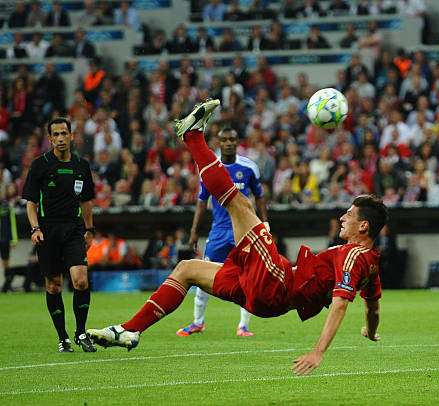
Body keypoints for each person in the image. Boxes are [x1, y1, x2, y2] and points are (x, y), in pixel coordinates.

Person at [88, 101, 387, 376]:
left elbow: (340, 304)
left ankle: (192, 136)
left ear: (364, 227)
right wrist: (371, 332)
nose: (343, 218)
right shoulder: (369, 263)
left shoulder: (354, 256)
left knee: (240, 203)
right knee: (186, 269)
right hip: (267, 297)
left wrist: (318, 352)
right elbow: (372, 306)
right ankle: (129, 330)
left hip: (277, 282)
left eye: (349, 215)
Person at [176, 127, 268, 338]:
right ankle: (198, 322)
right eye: (224, 140)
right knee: (202, 276)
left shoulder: (249, 167)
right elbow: (201, 202)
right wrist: (194, 232)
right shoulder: (210, 168)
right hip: (218, 232)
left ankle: (243, 326)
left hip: (243, 231)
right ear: (218, 143)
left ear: (237, 142)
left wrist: (265, 222)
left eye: (232, 139)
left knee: (247, 276)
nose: (228, 143)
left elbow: (260, 196)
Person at [21, 117, 97, 353]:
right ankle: (63, 337)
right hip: (47, 231)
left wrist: (89, 229)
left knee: (81, 280)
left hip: (73, 229)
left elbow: (86, 201)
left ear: (72, 136)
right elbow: (31, 203)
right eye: (56, 134)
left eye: (65, 133)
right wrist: (35, 228)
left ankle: (81, 332)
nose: (61, 138)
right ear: (50, 138)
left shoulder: (81, 166)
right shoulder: (40, 165)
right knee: (54, 286)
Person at [0, 185, 18, 292]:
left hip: (4, 239)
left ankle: (7, 284)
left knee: (6, 262)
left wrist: (14, 239)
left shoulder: (7, 207)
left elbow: (13, 224)